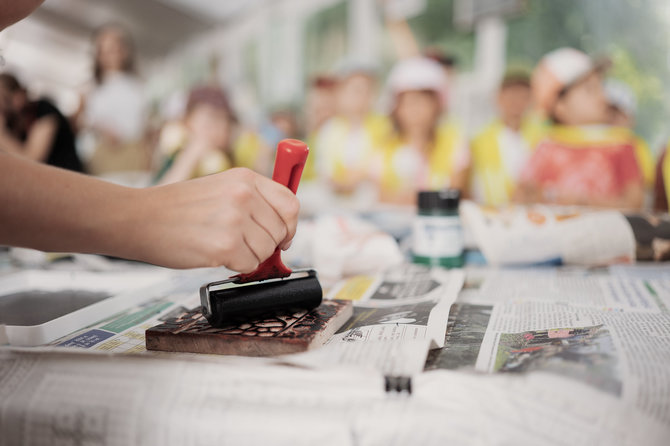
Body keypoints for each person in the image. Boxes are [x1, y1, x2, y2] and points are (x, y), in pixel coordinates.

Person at [0, 0, 300, 273]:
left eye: (222, 119)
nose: (214, 126)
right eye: (207, 118)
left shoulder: (138, 92)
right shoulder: (177, 148)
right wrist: (148, 217)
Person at [517, 48, 644, 210]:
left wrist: (580, 202)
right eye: (590, 89)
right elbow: (520, 196)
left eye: (601, 86)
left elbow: (635, 204)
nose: (602, 96)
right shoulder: (545, 146)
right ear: (560, 106)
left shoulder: (621, 144)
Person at [374, 57, 468, 205]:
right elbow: (380, 196)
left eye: (422, 102)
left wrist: (416, 199)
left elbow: (456, 194)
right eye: (408, 102)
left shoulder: (454, 143)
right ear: (396, 108)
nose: (415, 110)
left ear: (437, 106)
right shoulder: (384, 146)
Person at [76, 23, 149, 175]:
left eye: (116, 48)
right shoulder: (88, 88)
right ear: (98, 54)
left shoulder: (138, 85)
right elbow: (78, 123)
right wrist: (99, 127)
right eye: (106, 50)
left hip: (134, 153)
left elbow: (144, 125)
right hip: (103, 154)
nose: (112, 54)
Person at [470, 70, 545, 206]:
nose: (516, 101)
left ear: (532, 99)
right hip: (490, 216)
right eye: (511, 94)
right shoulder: (479, 141)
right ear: (498, 97)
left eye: (523, 95)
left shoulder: (543, 138)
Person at [314, 65, 390, 194]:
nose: (363, 96)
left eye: (368, 90)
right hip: (337, 198)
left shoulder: (384, 127)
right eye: (356, 90)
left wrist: (361, 176)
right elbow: (325, 171)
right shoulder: (330, 129)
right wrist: (341, 181)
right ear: (340, 93)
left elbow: (385, 167)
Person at [0, 73, 84, 173]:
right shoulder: (11, 123)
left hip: (67, 177)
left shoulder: (44, 110)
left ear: (19, 95)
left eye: (6, 99)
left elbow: (31, 161)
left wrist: (2, 135)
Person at [155, 86, 238, 185]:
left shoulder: (234, 162)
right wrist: (192, 155)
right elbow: (159, 194)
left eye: (225, 121)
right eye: (210, 120)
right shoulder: (175, 155)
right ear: (187, 121)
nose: (218, 128)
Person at [604, 78, 655, 190]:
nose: (611, 120)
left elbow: (646, 185)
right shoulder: (589, 143)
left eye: (617, 115)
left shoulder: (636, 146)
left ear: (631, 120)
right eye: (606, 113)